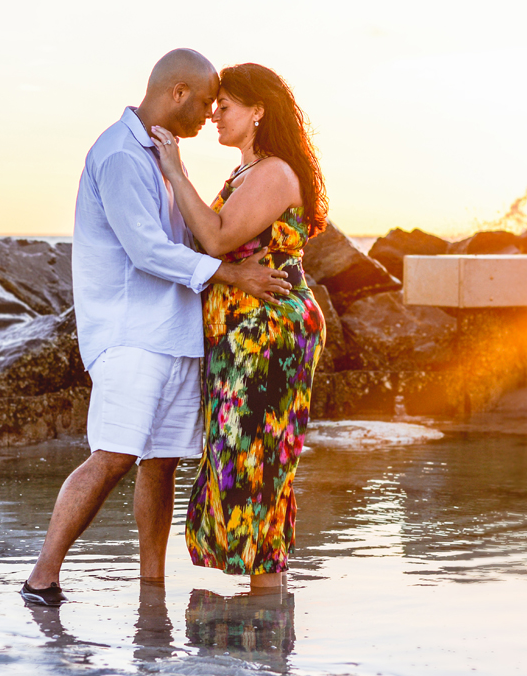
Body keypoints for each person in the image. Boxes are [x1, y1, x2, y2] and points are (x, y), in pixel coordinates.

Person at [20, 50, 292, 605]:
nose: (210, 116)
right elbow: (145, 250)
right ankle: (41, 578)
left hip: (175, 334)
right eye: (206, 103)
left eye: (223, 105)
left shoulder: (164, 156)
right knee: (114, 454)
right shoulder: (120, 154)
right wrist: (230, 273)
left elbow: (190, 236)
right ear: (177, 94)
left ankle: (152, 582)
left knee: (161, 461)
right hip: (130, 335)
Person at [150, 62, 327, 590]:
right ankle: (260, 631)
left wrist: (174, 171)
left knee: (257, 464)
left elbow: (218, 238)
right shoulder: (247, 173)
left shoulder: (273, 171)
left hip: (266, 334)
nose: (213, 115)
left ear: (258, 112)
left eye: (224, 106)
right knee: (241, 458)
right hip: (242, 333)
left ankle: (265, 631)